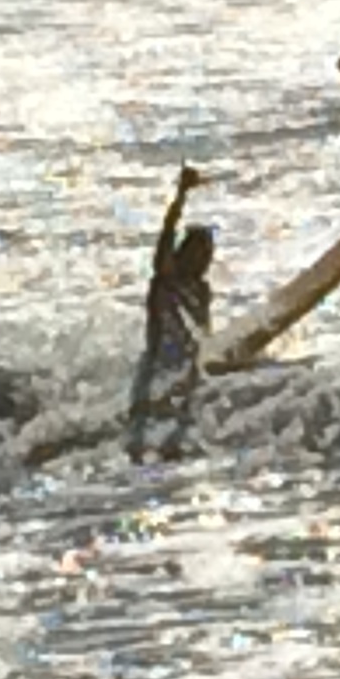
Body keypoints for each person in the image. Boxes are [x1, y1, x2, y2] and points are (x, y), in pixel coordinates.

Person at [127, 164, 214, 460]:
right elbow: (166, 235)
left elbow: (204, 332)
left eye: (209, 255)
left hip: (186, 367)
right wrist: (181, 195)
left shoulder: (201, 289)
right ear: (185, 253)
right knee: (144, 429)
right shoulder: (165, 279)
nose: (206, 260)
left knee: (182, 424)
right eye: (201, 253)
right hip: (156, 367)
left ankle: (173, 452)